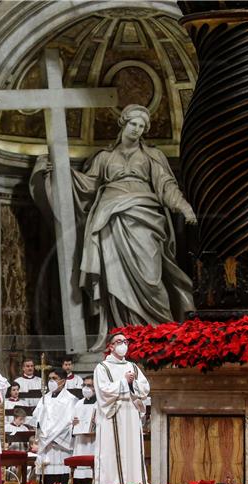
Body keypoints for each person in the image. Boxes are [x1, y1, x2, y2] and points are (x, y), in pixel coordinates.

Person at [72, 104, 197, 350]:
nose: (137, 129)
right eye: (133, 124)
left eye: (142, 126)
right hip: (110, 220)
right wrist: (59, 171)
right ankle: (121, 336)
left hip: (144, 218)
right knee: (114, 279)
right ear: (123, 123)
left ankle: (160, 332)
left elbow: (167, 187)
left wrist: (185, 208)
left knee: (151, 278)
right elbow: (86, 186)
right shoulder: (104, 157)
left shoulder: (152, 155)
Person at [94, 333, 150, 484]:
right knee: (112, 453)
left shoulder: (132, 366)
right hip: (113, 414)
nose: (123, 344)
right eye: (119, 342)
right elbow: (103, 391)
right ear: (111, 346)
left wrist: (132, 385)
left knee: (132, 451)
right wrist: (124, 382)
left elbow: (145, 387)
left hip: (131, 413)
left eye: (125, 341)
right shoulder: (102, 368)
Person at [33, 369, 78, 484]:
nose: (51, 381)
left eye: (54, 378)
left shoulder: (71, 400)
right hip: (45, 445)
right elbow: (36, 418)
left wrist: (54, 437)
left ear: (62, 381)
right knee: (45, 483)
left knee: (60, 482)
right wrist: (43, 436)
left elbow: (70, 423)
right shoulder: (44, 399)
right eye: (49, 379)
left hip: (61, 446)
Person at [70, 375, 97, 484]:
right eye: (84, 385)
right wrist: (73, 424)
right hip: (80, 442)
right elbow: (72, 421)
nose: (86, 388)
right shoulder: (78, 403)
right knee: (80, 475)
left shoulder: (100, 403)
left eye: (89, 385)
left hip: (94, 442)